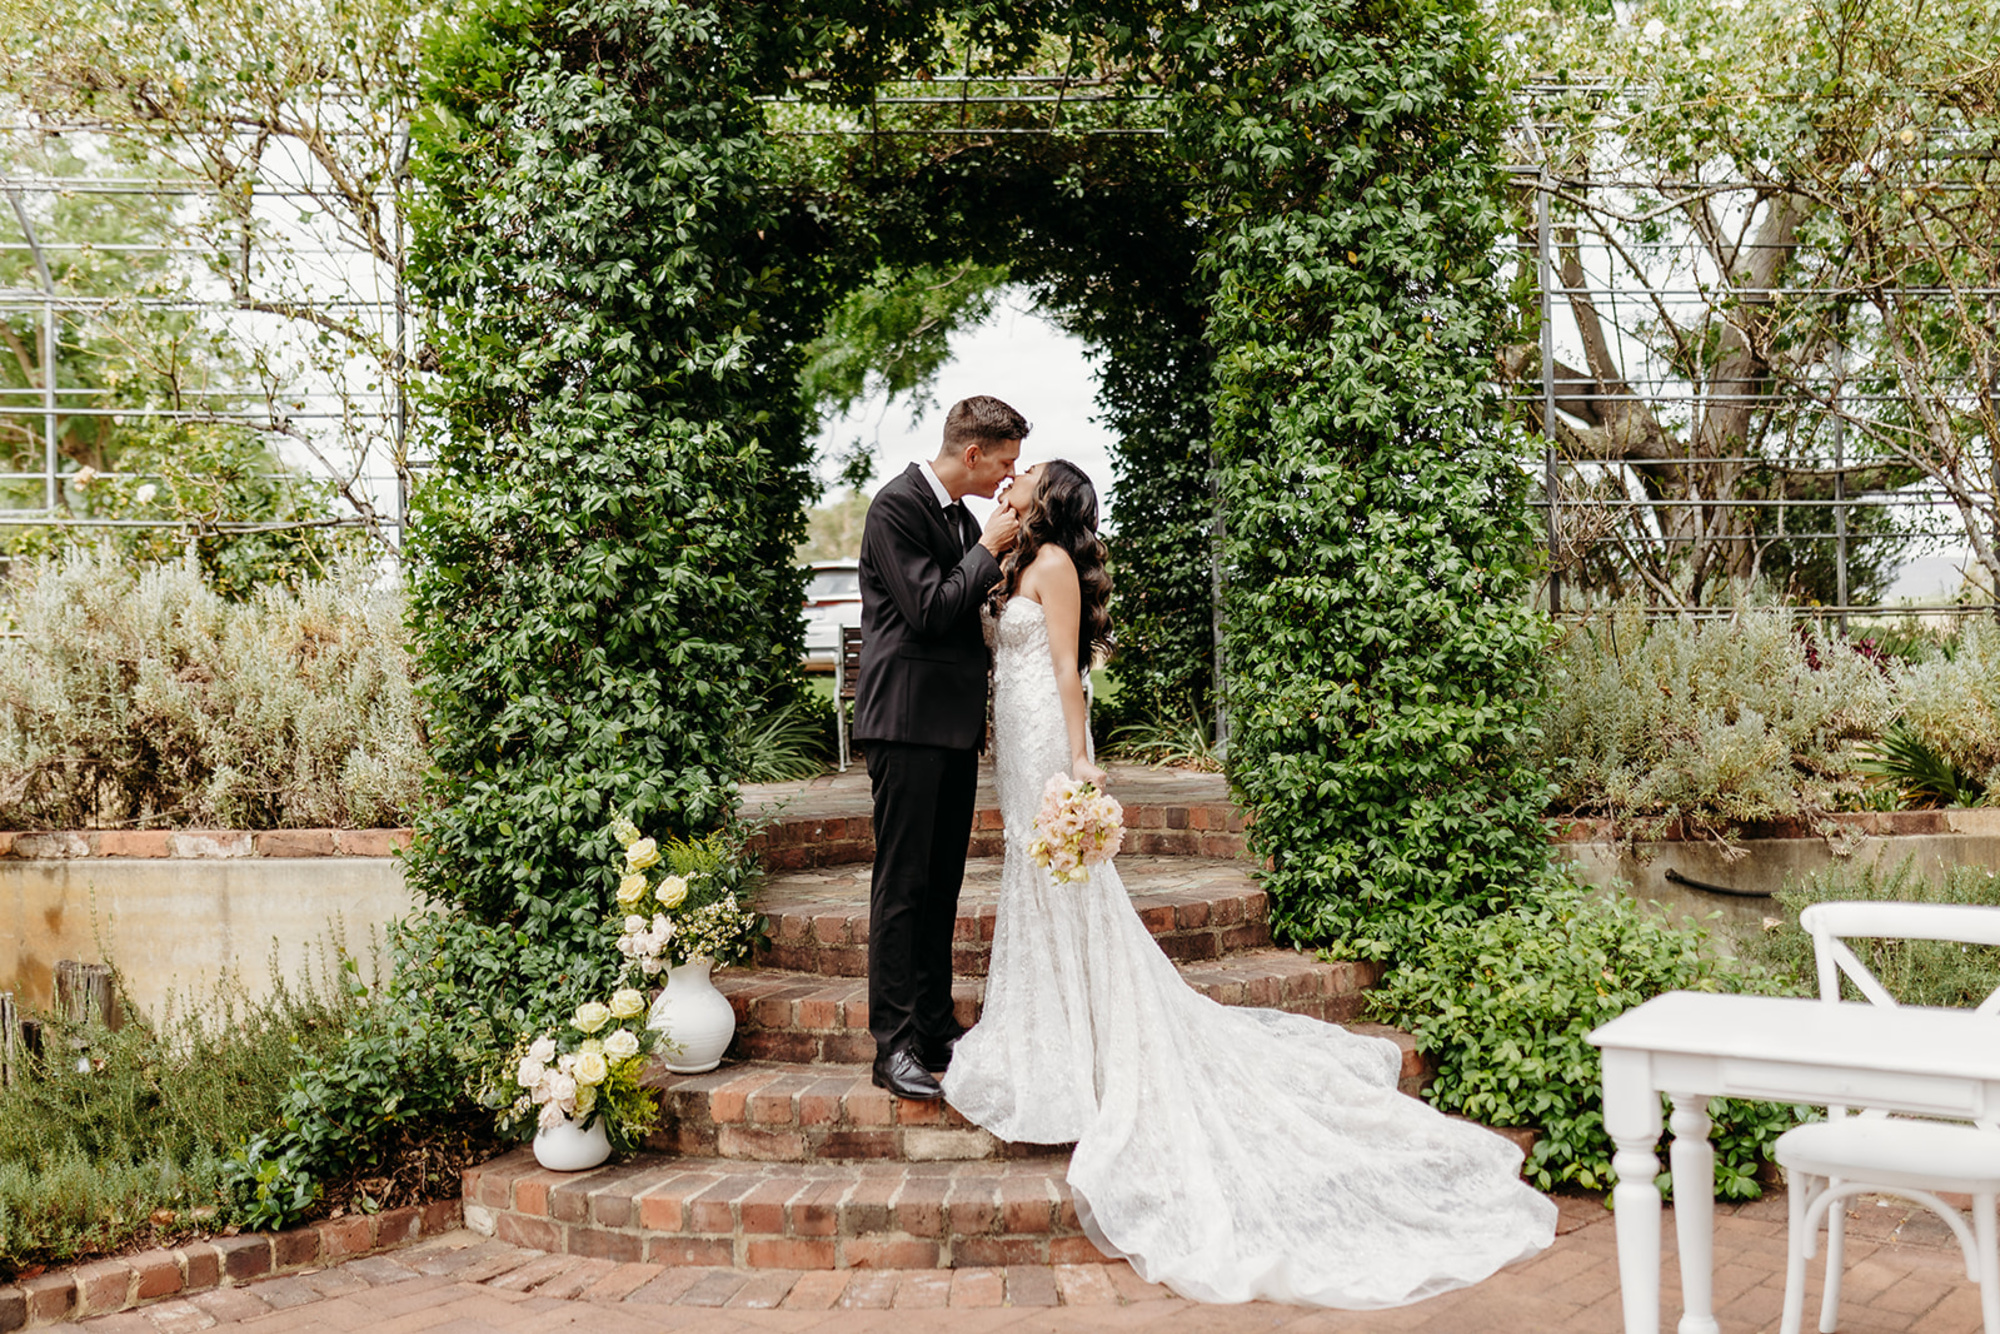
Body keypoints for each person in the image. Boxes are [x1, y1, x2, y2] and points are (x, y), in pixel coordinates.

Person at [941, 459, 1559, 1307]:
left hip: (1047, 738)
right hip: (1013, 738)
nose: (1012, 479)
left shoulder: (1050, 568)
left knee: (1066, 882)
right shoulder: (1018, 557)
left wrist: (1081, 762)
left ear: (1047, 502)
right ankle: (1056, 1027)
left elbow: (1066, 674)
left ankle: (1076, 1047)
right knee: (1039, 877)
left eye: (1028, 475)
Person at [852, 395, 1023, 1101]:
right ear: (973, 453)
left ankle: (931, 1024)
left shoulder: (958, 517)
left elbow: (963, 605)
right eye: (1005, 462)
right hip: (904, 724)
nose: (1009, 477)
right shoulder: (895, 508)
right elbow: (926, 609)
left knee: (942, 884)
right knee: (902, 889)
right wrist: (987, 549)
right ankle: (891, 1045)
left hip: (950, 727)